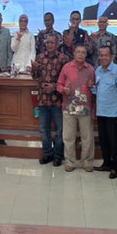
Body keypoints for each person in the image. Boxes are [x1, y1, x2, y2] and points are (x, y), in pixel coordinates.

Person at [57, 45, 96, 172]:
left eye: (83, 52)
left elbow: (95, 88)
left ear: (86, 55)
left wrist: (91, 86)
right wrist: (64, 89)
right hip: (69, 107)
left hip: (85, 107)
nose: (80, 54)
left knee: (87, 137)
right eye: (78, 52)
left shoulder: (90, 69)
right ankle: (70, 162)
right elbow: (59, 85)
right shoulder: (66, 68)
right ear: (74, 54)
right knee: (68, 137)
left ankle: (87, 161)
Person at [31, 34, 68, 166]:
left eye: (52, 43)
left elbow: (67, 79)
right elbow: (35, 76)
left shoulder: (63, 59)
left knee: (60, 130)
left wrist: (54, 86)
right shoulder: (40, 57)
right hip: (43, 99)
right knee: (44, 130)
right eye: (47, 43)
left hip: (57, 100)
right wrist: (34, 69)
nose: (49, 45)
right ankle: (47, 154)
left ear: (57, 44)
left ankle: (58, 156)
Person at [92, 46, 117, 178]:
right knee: (103, 140)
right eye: (101, 55)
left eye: (106, 55)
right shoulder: (98, 70)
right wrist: (90, 86)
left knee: (113, 141)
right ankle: (106, 163)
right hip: (101, 111)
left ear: (111, 56)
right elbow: (96, 90)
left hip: (113, 113)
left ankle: (115, 167)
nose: (103, 58)